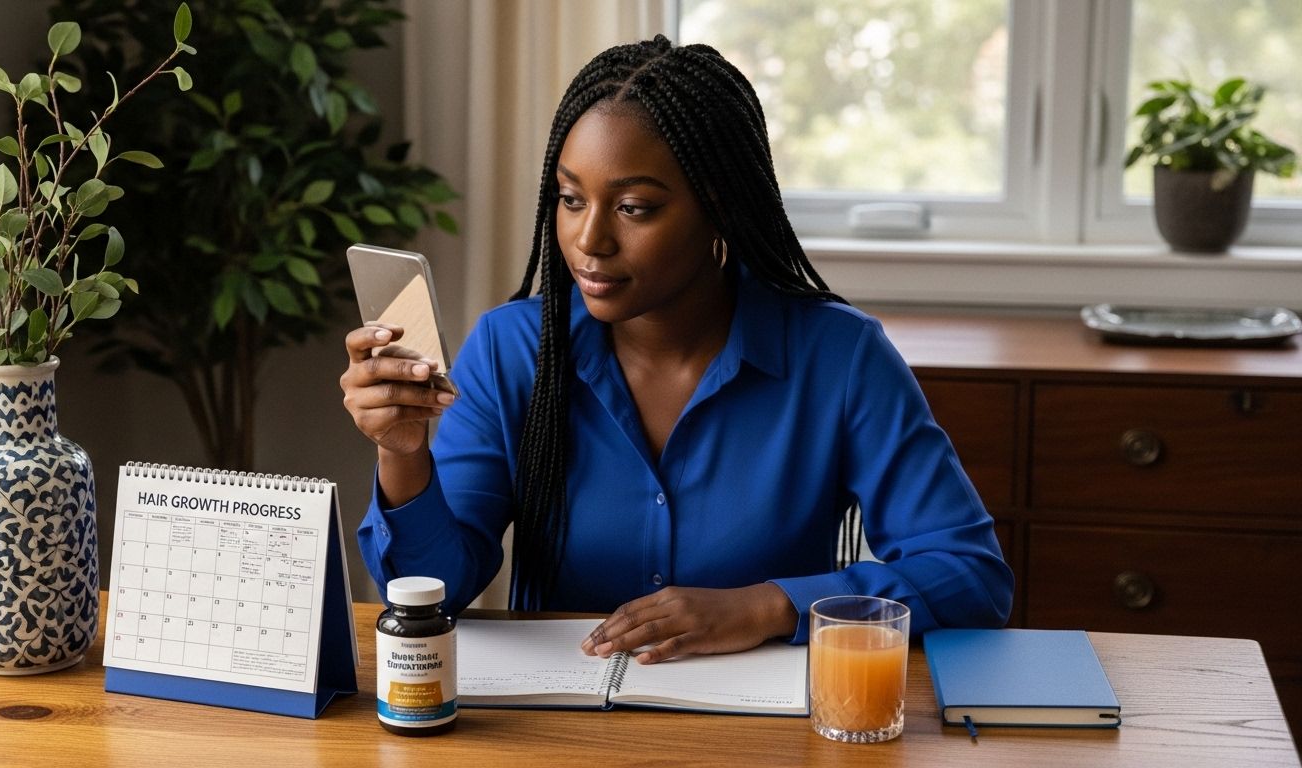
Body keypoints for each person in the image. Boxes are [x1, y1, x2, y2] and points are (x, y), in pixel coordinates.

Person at [341, 35, 1012, 665]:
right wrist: (403, 453)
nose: (589, 239)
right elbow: (436, 589)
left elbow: (969, 575)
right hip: (556, 736)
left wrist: (767, 607)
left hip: (765, 742)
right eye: (570, 199)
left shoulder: (838, 358)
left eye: (634, 207)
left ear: (718, 208)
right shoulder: (512, 350)